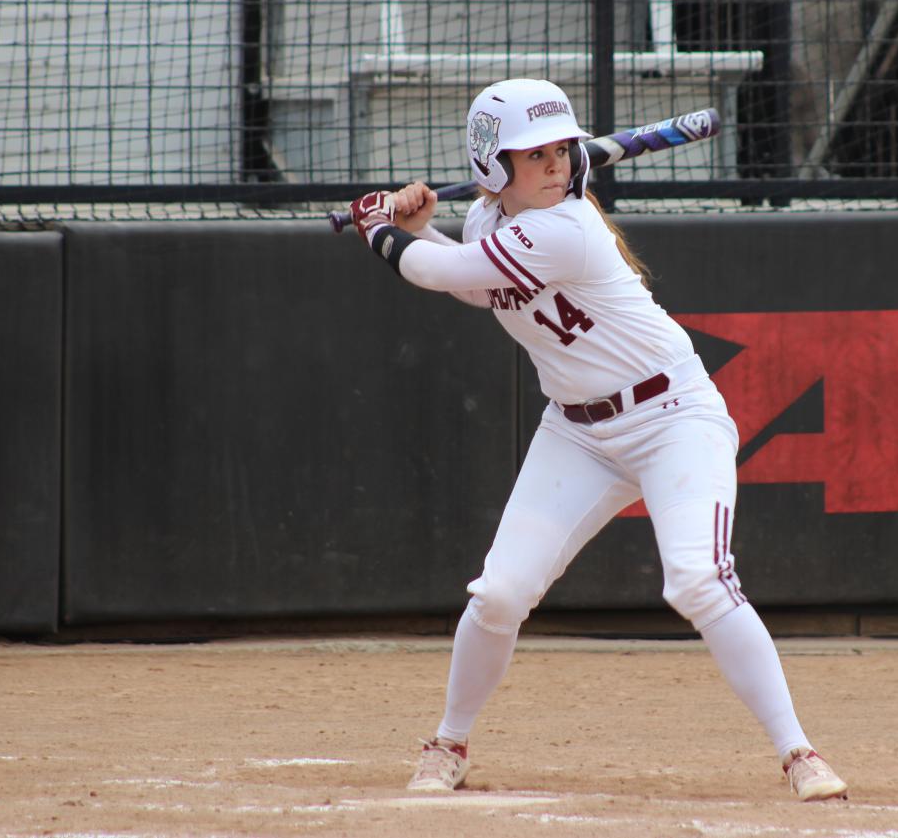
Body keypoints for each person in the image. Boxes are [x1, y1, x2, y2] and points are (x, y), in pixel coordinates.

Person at [347, 78, 849, 801]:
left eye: (561, 150)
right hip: (577, 432)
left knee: (699, 580)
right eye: (534, 154)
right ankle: (448, 741)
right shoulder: (493, 228)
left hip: (673, 417)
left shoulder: (566, 227)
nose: (555, 164)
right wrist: (421, 227)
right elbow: (473, 281)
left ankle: (797, 750)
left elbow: (441, 272)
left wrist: (380, 231)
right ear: (494, 166)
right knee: (498, 594)